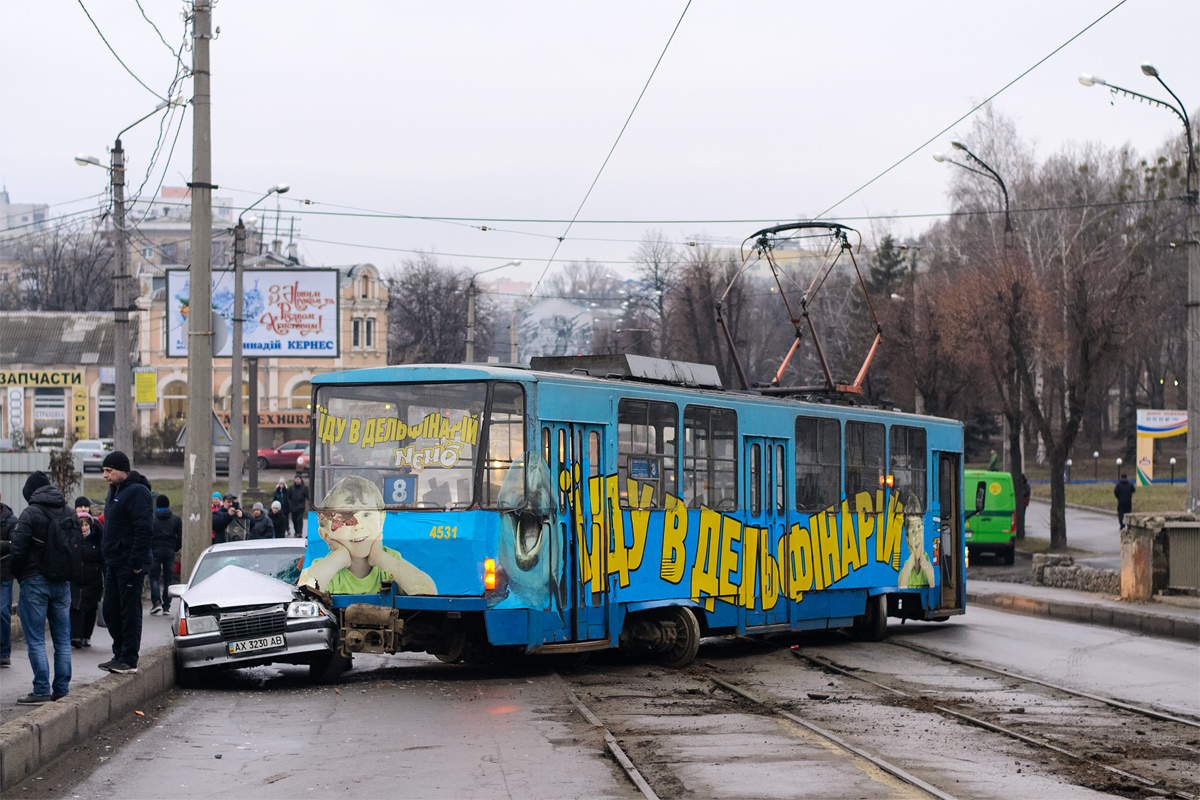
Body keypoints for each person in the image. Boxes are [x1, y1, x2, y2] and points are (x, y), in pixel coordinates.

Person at [299, 475, 435, 595]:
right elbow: (303, 590)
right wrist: (340, 558)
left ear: (381, 520)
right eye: (344, 518)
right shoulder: (327, 567)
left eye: (366, 514)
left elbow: (428, 591)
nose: (358, 526)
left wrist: (379, 558)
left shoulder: (391, 560)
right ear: (325, 535)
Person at [9, 471, 75, 703]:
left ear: (31, 493)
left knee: (36, 639)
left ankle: (40, 690)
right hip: (63, 584)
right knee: (62, 639)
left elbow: (17, 550)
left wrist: (20, 574)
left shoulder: (30, 513)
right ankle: (62, 690)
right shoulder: (68, 512)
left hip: (34, 582)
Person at [99, 451, 153, 675]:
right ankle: (118, 653)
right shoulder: (114, 491)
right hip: (113, 562)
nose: (105, 476)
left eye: (109, 471)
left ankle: (129, 658)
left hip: (129, 564)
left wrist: (136, 561)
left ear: (122, 470)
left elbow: (144, 528)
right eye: (104, 471)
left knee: (129, 611)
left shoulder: (137, 492)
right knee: (110, 610)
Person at [71, 512, 104, 648]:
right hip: (75, 580)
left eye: (85, 525)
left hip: (93, 580)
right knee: (75, 607)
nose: (83, 528)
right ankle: (75, 636)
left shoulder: (97, 541)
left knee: (90, 608)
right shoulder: (73, 540)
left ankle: (86, 635)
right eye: (80, 525)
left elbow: (103, 561)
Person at [149, 495, 181, 615]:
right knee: (169, 578)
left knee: (154, 577)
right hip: (169, 550)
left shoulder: (152, 518)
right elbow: (180, 536)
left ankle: (156, 602)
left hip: (155, 550)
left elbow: (148, 535)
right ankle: (166, 606)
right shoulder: (175, 519)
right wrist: (175, 548)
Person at [0, 490, 15, 668]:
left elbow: (14, 545)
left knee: (3, 611)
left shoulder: (11, 520)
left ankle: (4, 651)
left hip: (4, 574)